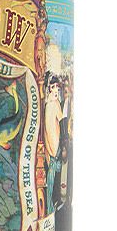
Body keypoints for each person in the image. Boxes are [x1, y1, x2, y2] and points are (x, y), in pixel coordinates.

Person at [44, 76, 69, 213]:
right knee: (53, 180)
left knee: (56, 180)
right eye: (52, 87)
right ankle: (52, 207)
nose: (55, 90)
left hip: (55, 148)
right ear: (48, 89)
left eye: (57, 88)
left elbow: (61, 122)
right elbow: (57, 124)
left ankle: (53, 206)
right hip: (53, 149)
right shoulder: (51, 105)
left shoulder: (52, 104)